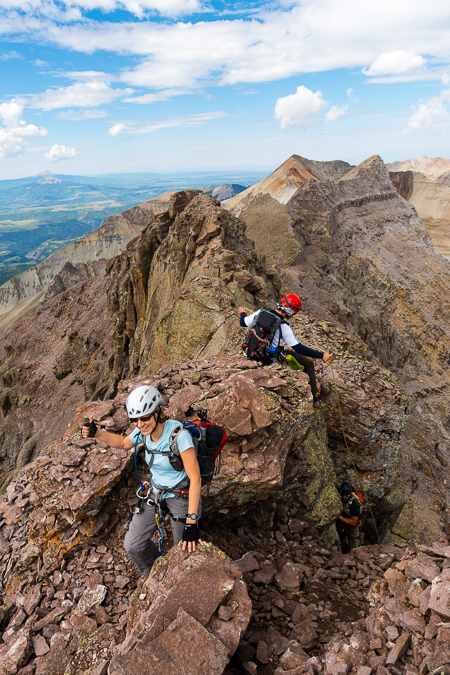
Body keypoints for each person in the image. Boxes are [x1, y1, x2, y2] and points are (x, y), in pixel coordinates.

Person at [82, 385, 202, 576]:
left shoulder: (180, 436)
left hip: (182, 496)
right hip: (155, 492)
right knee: (133, 545)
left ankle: (180, 578)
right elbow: (122, 443)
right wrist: (97, 433)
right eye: (135, 419)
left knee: (184, 550)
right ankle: (157, 576)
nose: (140, 423)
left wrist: (191, 523)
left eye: (145, 417)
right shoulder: (141, 432)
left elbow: (195, 480)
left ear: (157, 413)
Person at [239, 294, 333, 404]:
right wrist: (322, 356)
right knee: (308, 364)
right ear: (290, 311)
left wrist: (242, 312)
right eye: (294, 313)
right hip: (267, 357)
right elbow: (299, 348)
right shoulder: (284, 326)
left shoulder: (261, 312)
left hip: (249, 351)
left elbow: (243, 322)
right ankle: (314, 398)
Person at [336, 481, 362, 554]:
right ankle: (343, 555)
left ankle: (352, 560)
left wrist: (339, 517)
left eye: (346, 496)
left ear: (350, 494)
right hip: (341, 525)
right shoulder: (338, 497)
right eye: (343, 496)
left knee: (353, 548)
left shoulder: (354, 504)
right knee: (342, 542)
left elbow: (353, 522)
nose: (344, 498)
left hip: (352, 527)